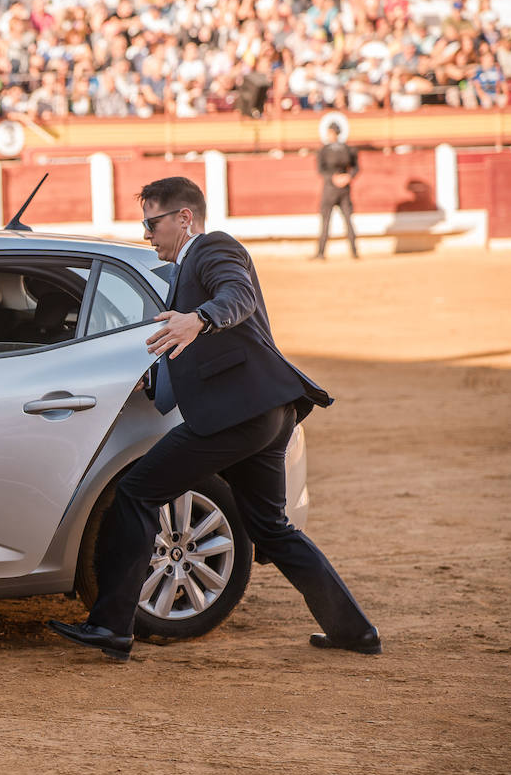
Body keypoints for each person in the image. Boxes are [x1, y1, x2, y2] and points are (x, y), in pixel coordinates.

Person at [47, 176, 379, 661]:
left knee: (137, 493)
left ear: (185, 217)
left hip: (237, 415)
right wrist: (152, 383)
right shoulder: (183, 269)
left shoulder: (214, 249)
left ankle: (112, 626)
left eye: (152, 223)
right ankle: (354, 630)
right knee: (272, 529)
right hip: (264, 412)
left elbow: (236, 296)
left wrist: (200, 318)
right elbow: (190, 355)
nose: (147, 235)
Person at [315, 120, 359, 259]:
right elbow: (355, 168)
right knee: (345, 220)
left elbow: (321, 170)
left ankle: (322, 253)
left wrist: (339, 178)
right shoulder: (347, 149)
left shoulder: (324, 150)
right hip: (341, 187)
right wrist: (347, 177)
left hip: (331, 188)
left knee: (330, 220)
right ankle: (353, 252)